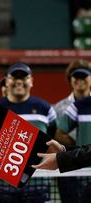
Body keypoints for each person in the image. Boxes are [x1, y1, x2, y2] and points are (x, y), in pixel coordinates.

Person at [0, 63, 57, 203]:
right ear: (7, 81)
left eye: (24, 77)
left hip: (38, 184)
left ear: (31, 81)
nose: (19, 81)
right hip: (3, 186)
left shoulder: (45, 109)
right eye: (14, 77)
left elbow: (52, 137)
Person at [53, 59, 91, 203]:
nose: (80, 80)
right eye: (76, 76)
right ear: (70, 79)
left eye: (84, 76)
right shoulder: (58, 108)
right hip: (70, 170)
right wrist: (81, 151)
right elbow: (55, 136)